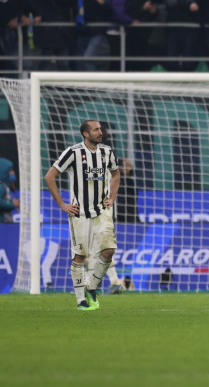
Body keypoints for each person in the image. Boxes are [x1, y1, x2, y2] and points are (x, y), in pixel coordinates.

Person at [44, 120, 121, 311]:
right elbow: (49, 176)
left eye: (100, 129)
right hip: (80, 214)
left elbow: (116, 174)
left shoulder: (107, 152)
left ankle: (91, 288)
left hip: (102, 211)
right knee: (80, 256)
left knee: (109, 251)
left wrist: (112, 197)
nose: (100, 132)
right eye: (96, 130)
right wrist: (62, 204)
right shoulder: (73, 152)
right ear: (86, 134)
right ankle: (81, 300)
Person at [0, 157, 19, 222]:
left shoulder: (6, 185)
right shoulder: (1, 186)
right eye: (10, 171)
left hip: (6, 220)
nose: (13, 173)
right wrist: (12, 204)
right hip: (2, 223)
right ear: (3, 171)